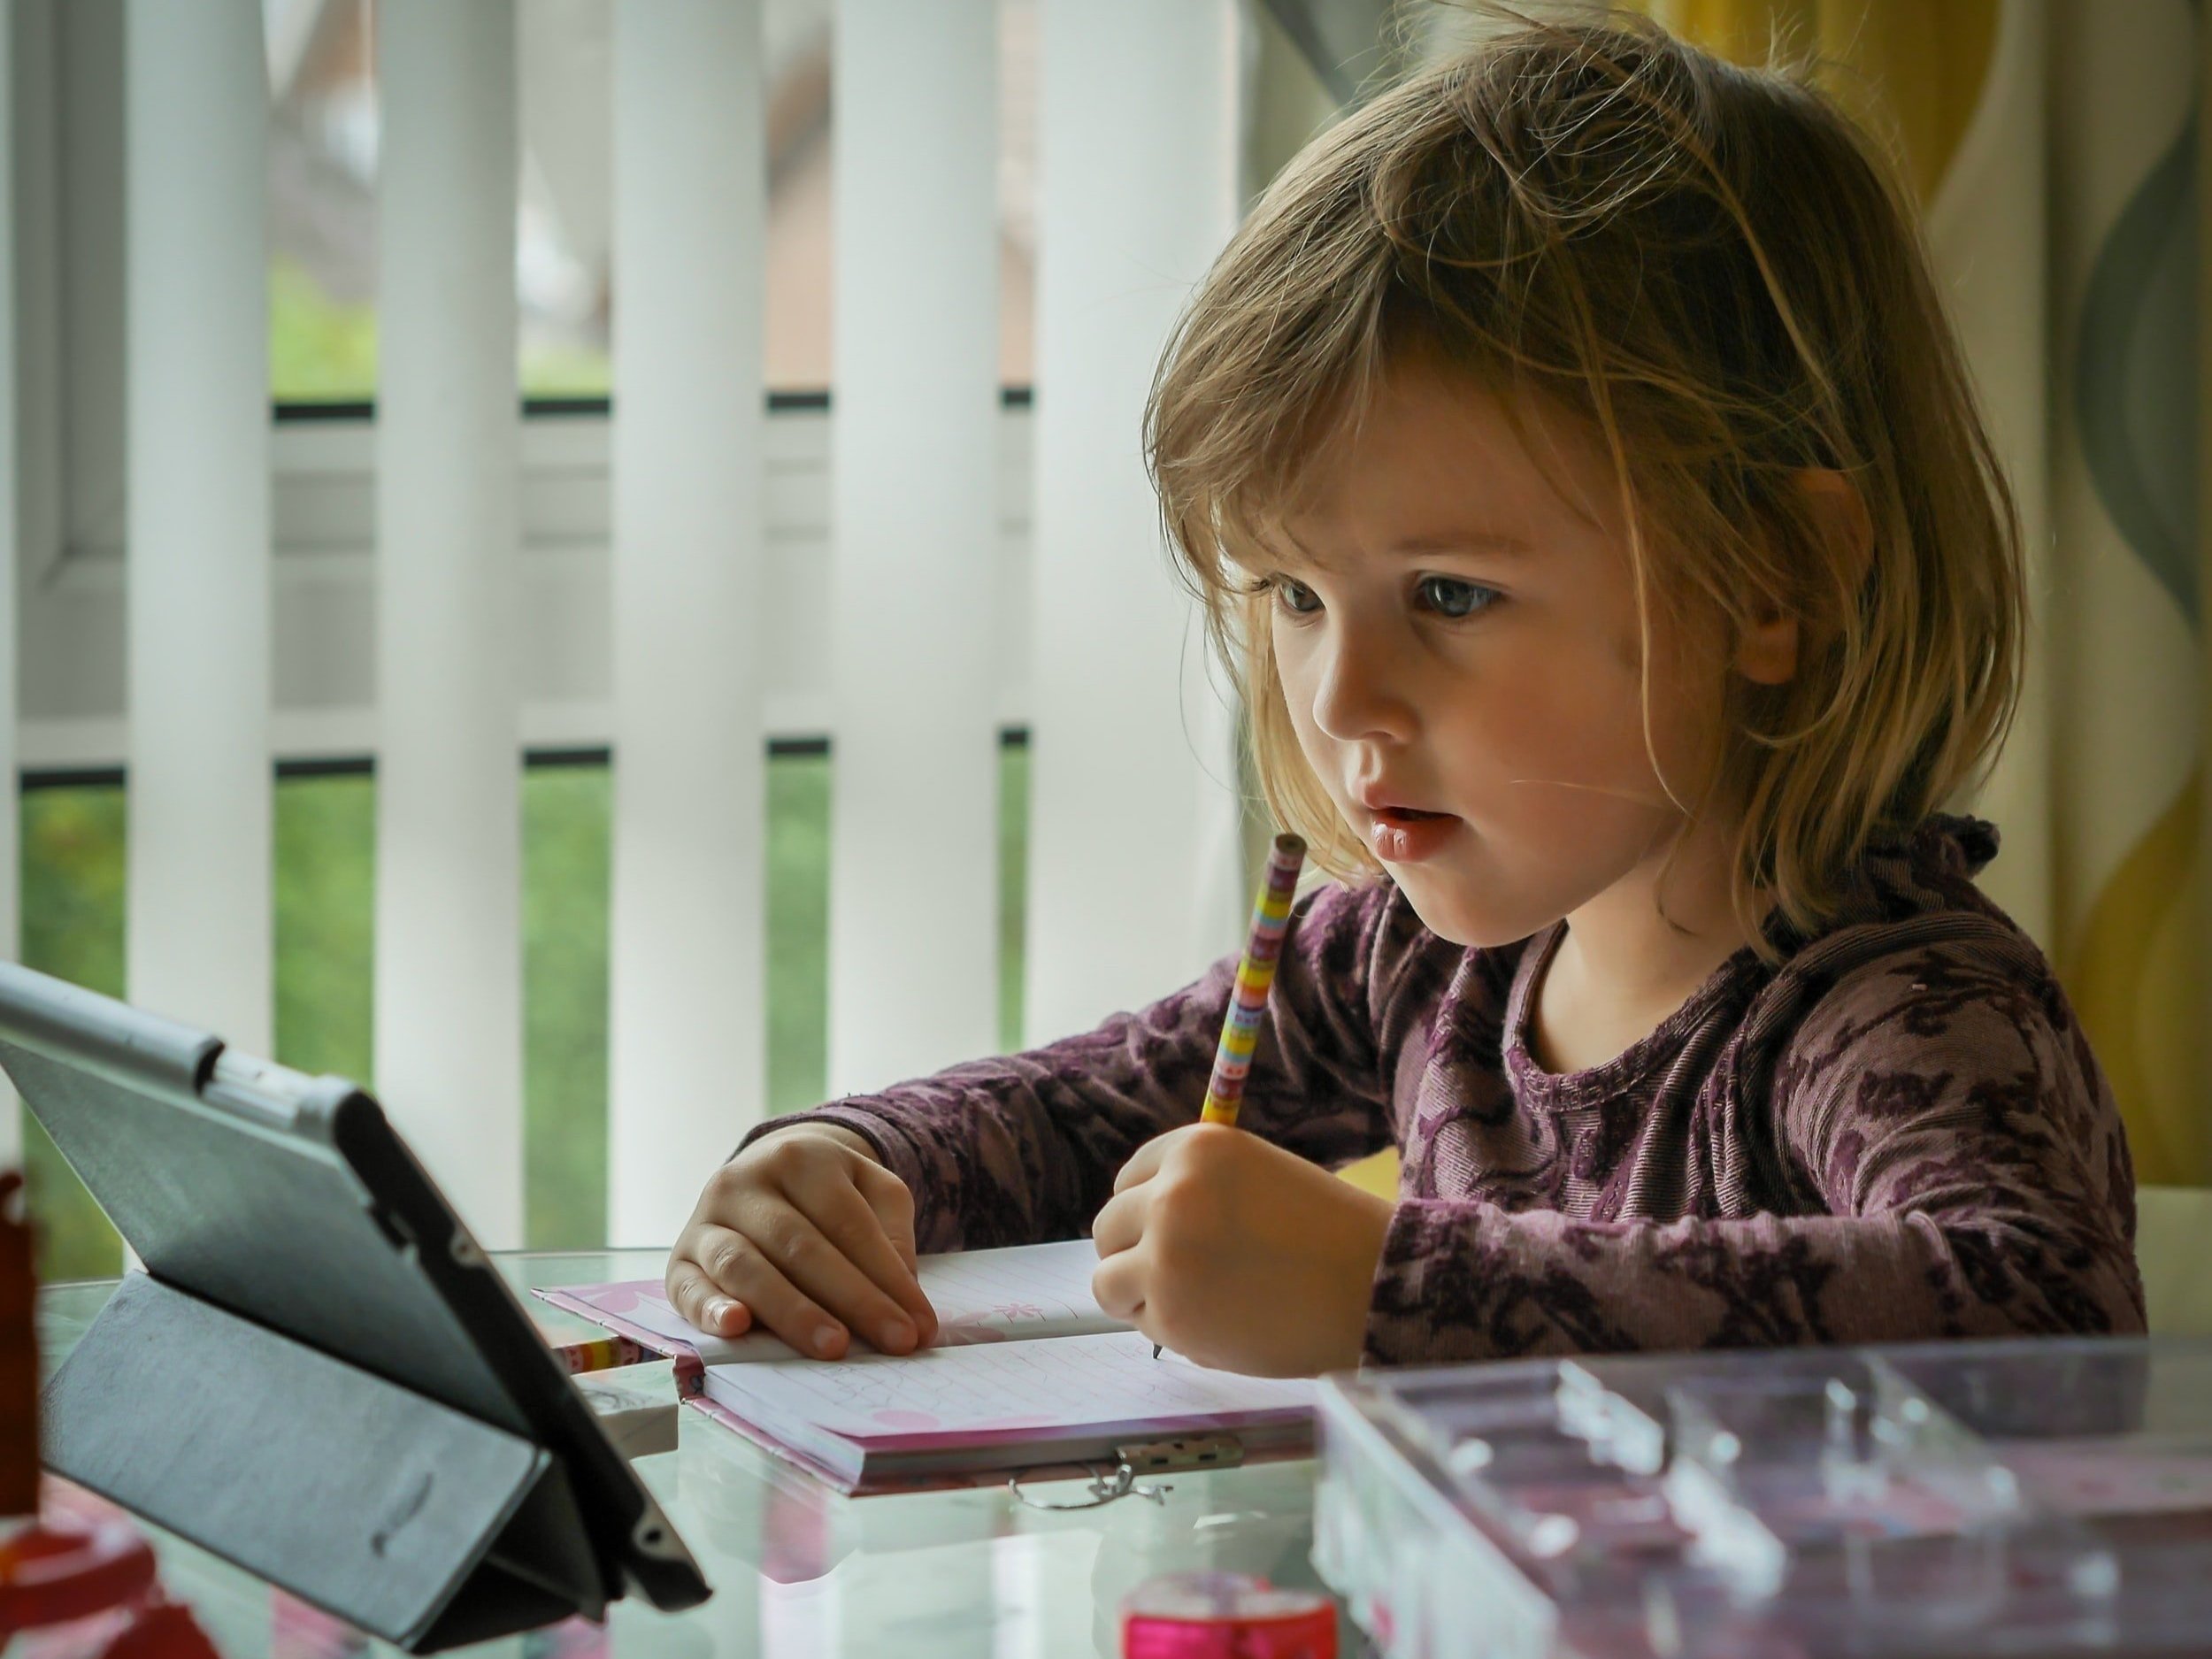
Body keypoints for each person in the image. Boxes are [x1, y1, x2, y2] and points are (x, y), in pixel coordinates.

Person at [664, 12, 2144, 1377]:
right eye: (1296, 597)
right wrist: (841, 1165)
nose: (1342, 699)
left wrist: (1394, 1286)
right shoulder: (1406, 965)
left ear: (1775, 585)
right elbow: (1065, 1119)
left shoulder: (1896, 1008)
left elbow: (2044, 1317)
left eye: (1449, 595)